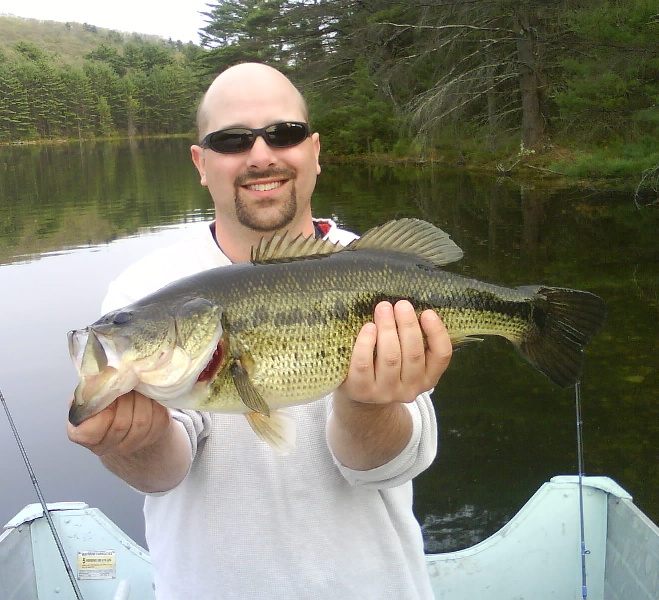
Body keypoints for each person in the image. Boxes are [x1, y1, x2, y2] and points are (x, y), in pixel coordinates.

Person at [67, 62, 453, 600]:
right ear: (202, 163)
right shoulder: (145, 288)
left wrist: (369, 408)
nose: (261, 155)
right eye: (231, 140)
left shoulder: (375, 271)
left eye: (284, 133)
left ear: (315, 151)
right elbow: (163, 475)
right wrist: (134, 442)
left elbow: (388, 469)